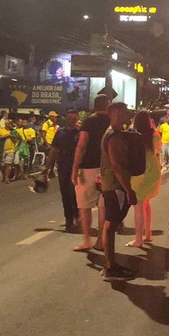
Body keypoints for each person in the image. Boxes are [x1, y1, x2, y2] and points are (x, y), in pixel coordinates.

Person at [98, 102, 139, 281]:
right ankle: (110, 268)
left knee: (110, 225)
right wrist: (129, 190)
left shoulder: (112, 133)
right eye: (125, 113)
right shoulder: (114, 136)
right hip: (115, 186)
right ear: (114, 114)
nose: (128, 115)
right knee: (110, 225)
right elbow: (117, 165)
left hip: (111, 185)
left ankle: (110, 265)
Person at [72, 95, 110, 252]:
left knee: (84, 206)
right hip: (107, 168)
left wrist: (74, 168)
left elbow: (82, 144)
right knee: (104, 207)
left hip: (88, 167)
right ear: (107, 105)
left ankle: (86, 241)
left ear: (94, 106)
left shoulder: (88, 121)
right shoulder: (111, 121)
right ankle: (101, 240)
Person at [127, 110, 160, 247]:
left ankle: (138, 239)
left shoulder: (133, 135)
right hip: (153, 172)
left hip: (139, 171)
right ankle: (148, 234)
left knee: (138, 206)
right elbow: (157, 150)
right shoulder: (155, 134)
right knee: (146, 203)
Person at [45, 110, 82, 232]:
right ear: (66, 118)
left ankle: (77, 215)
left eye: (74, 117)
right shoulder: (60, 133)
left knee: (74, 193)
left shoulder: (80, 133)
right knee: (65, 194)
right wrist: (48, 167)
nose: (72, 119)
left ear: (77, 119)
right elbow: (54, 150)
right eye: (70, 117)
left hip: (76, 168)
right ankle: (69, 219)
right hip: (63, 167)